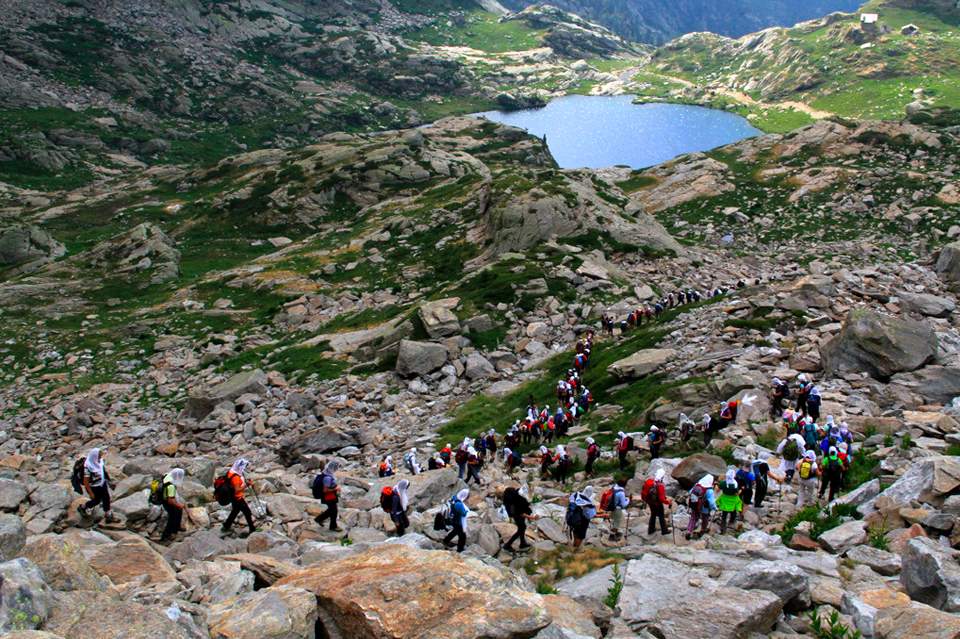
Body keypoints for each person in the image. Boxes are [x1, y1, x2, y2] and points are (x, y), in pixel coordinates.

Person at [78, 448, 118, 522]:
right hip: (94, 487)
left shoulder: (99, 462)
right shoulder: (88, 467)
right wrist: (90, 493)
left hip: (102, 483)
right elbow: (85, 481)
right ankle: (83, 507)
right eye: (99, 457)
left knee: (106, 497)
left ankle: (108, 514)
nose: (100, 458)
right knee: (96, 500)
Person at [222, 458, 257, 536]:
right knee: (247, 512)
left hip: (232, 497)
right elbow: (237, 490)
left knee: (235, 511)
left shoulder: (231, 471)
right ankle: (252, 529)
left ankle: (226, 526)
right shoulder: (236, 478)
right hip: (237, 498)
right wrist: (247, 485)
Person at [568, 486, 605, 551]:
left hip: (574, 517)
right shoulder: (588, 502)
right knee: (581, 535)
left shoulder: (576, 495)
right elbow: (591, 515)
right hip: (583, 519)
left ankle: (575, 542)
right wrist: (603, 515)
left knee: (575, 530)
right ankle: (577, 549)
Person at [503, 486, 540, 553]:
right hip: (518, 516)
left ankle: (522, 543)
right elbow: (521, 513)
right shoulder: (516, 501)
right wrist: (532, 517)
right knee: (521, 530)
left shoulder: (510, 500)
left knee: (522, 527)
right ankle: (508, 545)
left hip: (516, 516)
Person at [685, 475, 717, 539]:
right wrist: (715, 508)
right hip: (704, 507)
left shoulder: (697, 485)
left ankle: (689, 530)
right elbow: (712, 502)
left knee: (693, 518)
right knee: (705, 519)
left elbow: (690, 492)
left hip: (695, 505)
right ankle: (703, 530)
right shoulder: (709, 490)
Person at [314, 460, 342, 532]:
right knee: (333, 510)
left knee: (332, 510)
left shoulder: (326, 473)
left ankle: (320, 519)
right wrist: (335, 489)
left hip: (330, 495)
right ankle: (333, 526)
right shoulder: (328, 478)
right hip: (328, 496)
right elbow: (325, 490)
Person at [159, 468, 186, 543]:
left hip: (164, 498)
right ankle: (166, 535)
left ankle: (175, 529)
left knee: (178, 511)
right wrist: (179, 505)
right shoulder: (171, 486)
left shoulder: (166, 476)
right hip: (166, 502)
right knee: (172, 517)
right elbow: (170, 500)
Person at [643, 470, 671, 537]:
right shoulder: (660, 485)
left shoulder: (652, 481)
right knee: (661, 516)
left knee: (653, 515)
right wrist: (668, 502)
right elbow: (661, 498)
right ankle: (664, 530)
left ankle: (651, 529)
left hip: (650, 502)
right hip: (657, 503)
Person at [717, 469, 742, 534]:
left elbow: (717, 490)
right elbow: (736, 493)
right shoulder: (735, 484)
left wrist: (716, 484)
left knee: (724, 514)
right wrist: (740, 491)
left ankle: (723, 527)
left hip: (725, 498)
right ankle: (732, 521)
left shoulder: (723, 483)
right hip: (733, 499)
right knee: (733, 510)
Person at [609, 476, 632, 541]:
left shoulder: (614, 487)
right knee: (617, 522)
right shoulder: (621, 492)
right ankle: (612, 535)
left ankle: (614, 532)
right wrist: (629, 500)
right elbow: (623, 504)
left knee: (615, 520)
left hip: (612, 507)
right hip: (617, 508)